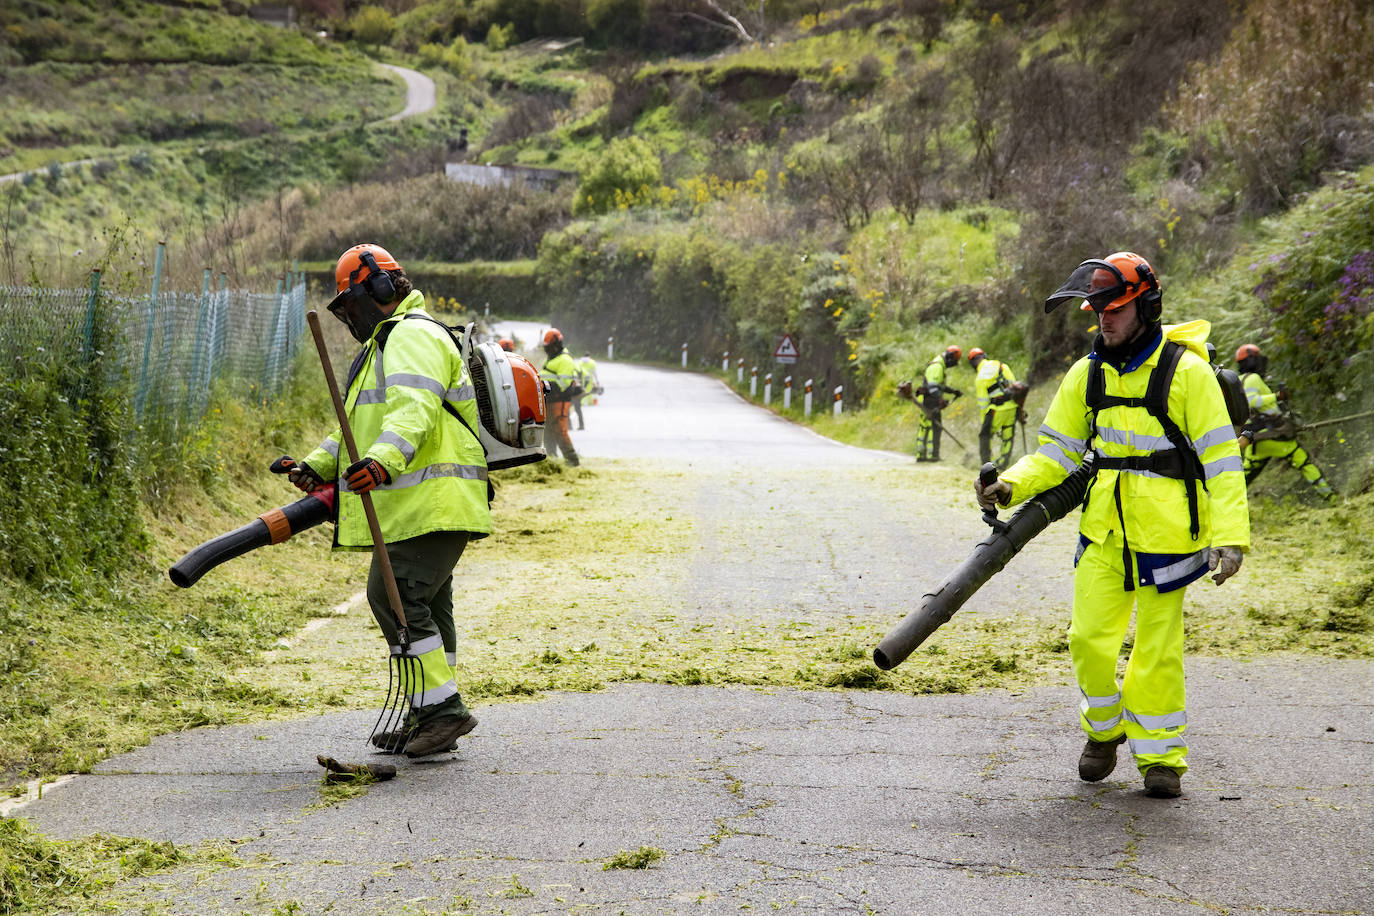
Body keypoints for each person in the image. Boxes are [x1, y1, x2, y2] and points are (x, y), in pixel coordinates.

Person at [974, 251, 1249, 799]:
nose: (1104, 317)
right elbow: (1056, 452)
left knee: (1157, 651)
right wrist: (1010, 483)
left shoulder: (1187, 373)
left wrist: (1231, 537)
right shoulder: (1087, 374)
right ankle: (1103, 732)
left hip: (1170, 536)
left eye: (1115, 307)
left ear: (1145, 306)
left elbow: (1221, 460)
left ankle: (1160, 760)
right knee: (1088, 642)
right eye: (1098, 308)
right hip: (1103, 532)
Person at [287, 243, 489, 758]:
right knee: (425, 605)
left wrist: (383, 463)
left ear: (378, 289)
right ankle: (429, 712)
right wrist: (317, 465)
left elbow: (412, 414)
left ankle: (443, 713)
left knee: (394, 593)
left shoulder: (413, 337)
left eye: (351, 305)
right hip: (424, 506)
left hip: (436, 501)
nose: (348, 318)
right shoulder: (384, 345)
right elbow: (358, 429)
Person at [1234, 343, 1334, 501]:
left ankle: (1217, 505)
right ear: (1253, 360)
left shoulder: (1237, 380)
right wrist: (1277, 397)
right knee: (1304, 463)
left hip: (1255, 441)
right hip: (1274, 434)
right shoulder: (1252, 378)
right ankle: (1331, 496)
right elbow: (1251, 401)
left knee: (1241, 480)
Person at [897, 345, 963, 461]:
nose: (953, 364)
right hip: (930, 402)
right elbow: (933, 388)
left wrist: (953, 391)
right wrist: (940, 401)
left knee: (926, 427)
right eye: (954, 361)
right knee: (934, 428)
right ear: (950, 358)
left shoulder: (938, 365)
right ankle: (933, 456)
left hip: (927, 400)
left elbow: (938, 385)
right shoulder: (937, 366)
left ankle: (922, 455)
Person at [969, 348, 1019, 467]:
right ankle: (1003, 462)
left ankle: (986, 465)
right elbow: (1014, 386)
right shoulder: (1002, 366)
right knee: (1008, 435)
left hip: (996, 409)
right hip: (1012, 407)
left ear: (973, 363)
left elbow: (983, 403)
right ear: (984, 356)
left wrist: (984, 422)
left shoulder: (980, 377)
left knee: (985, 435)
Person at [540, 328, 581, 465]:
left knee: (560, 431)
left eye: (548, 347)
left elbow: (562, 385)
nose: (546, 350)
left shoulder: (565, 360)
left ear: (555, 345)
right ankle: (551, 459)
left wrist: (544, 386)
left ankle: (572, 460)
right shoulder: (553, 357)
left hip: (559, 401)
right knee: (548, 432)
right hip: (550, 400)